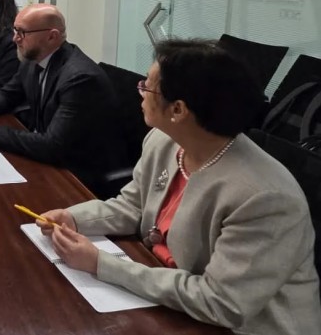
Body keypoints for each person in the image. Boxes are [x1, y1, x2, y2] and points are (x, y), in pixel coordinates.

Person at [36, 39, 321, 335]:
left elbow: (222, 303)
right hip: (170, 292)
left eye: (147, 86)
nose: (139, 90)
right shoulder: (164, 141)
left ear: (178, 109)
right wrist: (74, 218)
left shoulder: (264, 198)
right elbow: (133, 205)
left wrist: (101, 264)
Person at [0, 4, 123, 194]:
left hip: (77, 174)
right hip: (45, 154)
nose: (15, 38)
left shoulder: (80, 78)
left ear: (52, 36)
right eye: (15, 30)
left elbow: (53, 146)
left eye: (22, 32)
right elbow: (9, 93)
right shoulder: (34, 58)